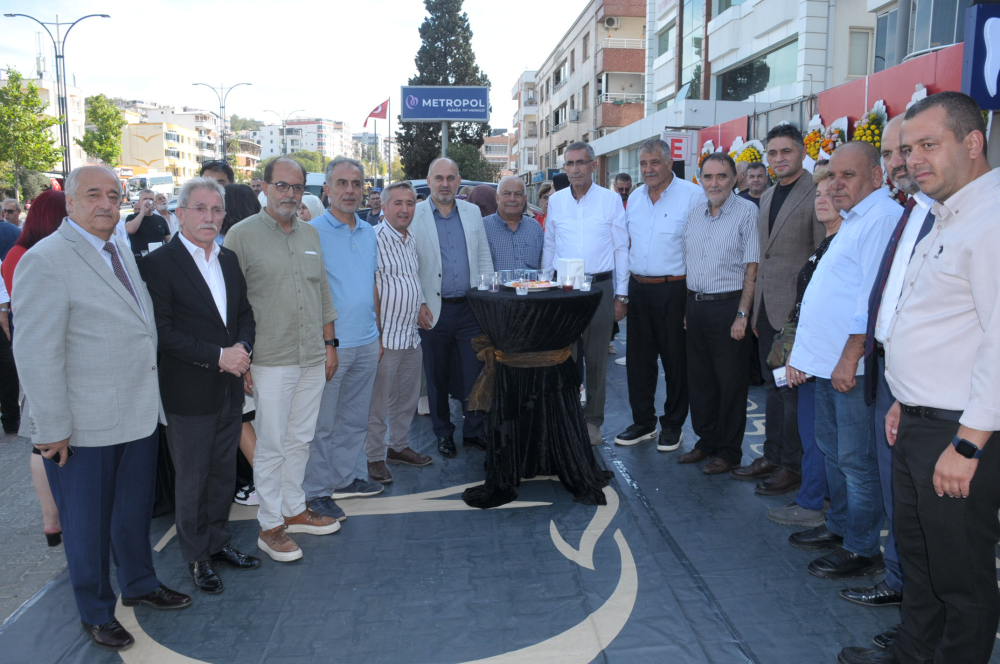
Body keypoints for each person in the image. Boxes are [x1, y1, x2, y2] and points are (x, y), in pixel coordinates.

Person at [839, 92, 1000, 664]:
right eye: (908, 149)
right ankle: (912, 654)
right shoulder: (944, 214)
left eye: (929, 145)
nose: (914, 160)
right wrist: (905, 399)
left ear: (973, 143)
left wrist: (968, 442)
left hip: (959, 434)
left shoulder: (992, 219)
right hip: (916, 418)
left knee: (961, 573)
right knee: (921, 557)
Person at [12, 165, 192, 652]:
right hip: (81, 426)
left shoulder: (118, 249)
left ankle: (140, 584)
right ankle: (95, 610)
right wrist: (52, 428)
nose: (106, 204)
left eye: (114, 195)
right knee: (88, 527)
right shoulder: (47, 260)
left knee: (133, 514)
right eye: (93, 194)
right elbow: (35, 352)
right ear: (68, 201)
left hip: (135, 414)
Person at [138, 178, 261, 595]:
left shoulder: (227, 260)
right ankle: (196, 557)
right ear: (180, 213)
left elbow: (244, 313)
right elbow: (163, 332)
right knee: (192, 479)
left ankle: (218, 543)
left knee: (223, 474)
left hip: (227, 388)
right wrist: (218, 356)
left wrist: (242, 347)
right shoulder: (159, 264)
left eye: (216, 210)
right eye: (200, 208)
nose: (209, 217)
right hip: (188, 390)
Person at [786, 141, 900, 581]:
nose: (836, 185)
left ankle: (861, 547)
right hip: (827, 363)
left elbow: (870, 302)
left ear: (877, 176)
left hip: (850, 366)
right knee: (834, 453)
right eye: (832, 176)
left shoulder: (882, 218)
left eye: (847, 175)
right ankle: (839, 527)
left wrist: (850, 357)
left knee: (856, 461)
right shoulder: (856, 219)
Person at [223, 158, 341, 563]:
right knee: (271, 445)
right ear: (265, 187)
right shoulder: (241, 236)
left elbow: (322, 291)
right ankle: (270, 525)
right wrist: (241, 361)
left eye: (297, 187)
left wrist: (330, 344)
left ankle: (295, 508)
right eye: (282, 186)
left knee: (300, 439)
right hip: (269, 360)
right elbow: (229, 304)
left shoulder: (310, 233)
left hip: (311, 355)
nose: (290, 194)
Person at [836, 115, 930, 616]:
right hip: (895, 373)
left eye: (915, 148)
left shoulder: (940, 214)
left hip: (930, 387)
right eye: (895, 151)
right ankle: (900, 583)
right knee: (900, 491)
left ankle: (911, 598)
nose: (902, 162)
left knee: (914, 499)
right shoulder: (910, 211)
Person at [731, 124, 825, 498]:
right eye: (772, 153)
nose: (778, 159)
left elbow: (822, 256)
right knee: (773, 388)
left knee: (793, 394)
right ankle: (772, 455)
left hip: (797, 314)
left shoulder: (815, 193)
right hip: (768, 311)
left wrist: (807, 317)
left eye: (785, 152)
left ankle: (793, 465)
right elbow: (762, 256)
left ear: (802, 152)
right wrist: (753, 312)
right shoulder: (767, 195)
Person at [302, 157, 384, 520]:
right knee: (322, 423)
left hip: (367, 341)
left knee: (354, 418)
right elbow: (311, 293)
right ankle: (316, 491)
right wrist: (326, 344)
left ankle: (346, 478)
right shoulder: (311, 233)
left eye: (356, 183)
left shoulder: (369, 232)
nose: (350, 190)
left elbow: (371, 286)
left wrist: (378, 332)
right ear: (328, 189)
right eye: (342, 183)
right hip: (331, 346)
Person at [614, 138, 705, 452]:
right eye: (643, 163)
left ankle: (673, 425)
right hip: (639, 290)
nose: (648, 169)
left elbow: (700, 250)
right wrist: (623, 294)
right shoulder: (635, 198)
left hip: (676, 289)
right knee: (639, 362)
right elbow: (626, 248)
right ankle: (643, 422)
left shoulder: (693, 196)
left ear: (669, 162)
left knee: (676, 362)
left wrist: (691, 301)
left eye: (654, 162)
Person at [765, 168, 840, 529]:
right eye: (819, 193)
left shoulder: (843, 243)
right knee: (813, 434)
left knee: (818, 438)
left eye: (831, 193)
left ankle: (814, 504)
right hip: (808, 355)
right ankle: (815, 500)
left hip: (822, 360)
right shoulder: (826, 243)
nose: (822, 200)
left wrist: (802, 353)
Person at [676, 153, 759, 474]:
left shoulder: (746, 212)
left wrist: (742, 314)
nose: (714, 183)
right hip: (695, 306)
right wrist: (687, 307)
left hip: (729, 306)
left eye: (721, 176)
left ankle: (729, 451)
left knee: (731, 383)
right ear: (700, 179)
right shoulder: (694, 214)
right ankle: (706, 441)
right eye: (708, 176)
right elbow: (689, 263)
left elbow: (752, 266)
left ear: (734, 179)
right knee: (700, 380)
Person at [542, 141, 628, 446]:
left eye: (581, 162)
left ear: (594, 166)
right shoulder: (557, 201)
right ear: (564, 168)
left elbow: (621, 248)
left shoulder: (610, 200)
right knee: (564, 356)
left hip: (600, 288)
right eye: (570, 163)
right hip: (564, 288)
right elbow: (550, 244)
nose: (576, 169)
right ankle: (565, 415)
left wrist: (622, 295)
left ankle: (592, 421)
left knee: (595, 359)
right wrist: (543, 285)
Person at [411, 157, 495, 458]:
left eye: (450, 178)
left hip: (471, 309)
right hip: (434, 311)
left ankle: (473, 431)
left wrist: (485, 299)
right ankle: (443, 433)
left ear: (459, 181)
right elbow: (411, 266)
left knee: (476, 373)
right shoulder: (416, 214)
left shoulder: (473, 213)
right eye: (439, 178)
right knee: (437, 376)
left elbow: (483, 256)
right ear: (429, 180)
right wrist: (419, 301)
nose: (445, 184)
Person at [2, 190, 66, 545]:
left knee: (39, 443)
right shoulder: (34, 255)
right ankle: (52, 517)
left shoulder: (17, 252)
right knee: (41, 442)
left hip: (31, 350)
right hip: (41, 356)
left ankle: (51, 519)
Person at [365, 181, 434, 483]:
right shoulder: (374, 239)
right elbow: (371, 288)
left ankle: (399, 446)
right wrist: (376, 335)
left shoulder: (410, 239)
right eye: (398, 203)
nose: (405, 209)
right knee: (378, 403)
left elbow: (410, 279)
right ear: (384, 205)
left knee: (406, 399)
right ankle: (374, 457)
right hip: (386, 338)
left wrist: (419, 303)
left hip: (410, 335)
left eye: (410, 203)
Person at [218, 183, 263, 504]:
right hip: (263, 340)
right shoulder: (262, 239)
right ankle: (268, 481)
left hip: (240, 344)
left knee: (243, 418)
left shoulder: (227, 248)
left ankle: (264, 483)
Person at [483, 176, 544, 272]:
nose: (512, 199)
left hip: (530, 286)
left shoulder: (535, 228)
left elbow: (542, 267)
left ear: (524, 200)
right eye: (506, 194)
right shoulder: (483, 228)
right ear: (497, 198)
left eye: (518, 194)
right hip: (496, 287)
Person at [125, 188, 171, 259]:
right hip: (139, 260)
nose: (148, 201)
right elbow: (130, 230)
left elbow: (169, 242)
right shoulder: (132, 217)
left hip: (158, 259)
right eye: (145, 199)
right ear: (139, 202)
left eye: (151, 199)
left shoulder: (161, 220)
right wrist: (142, 212)